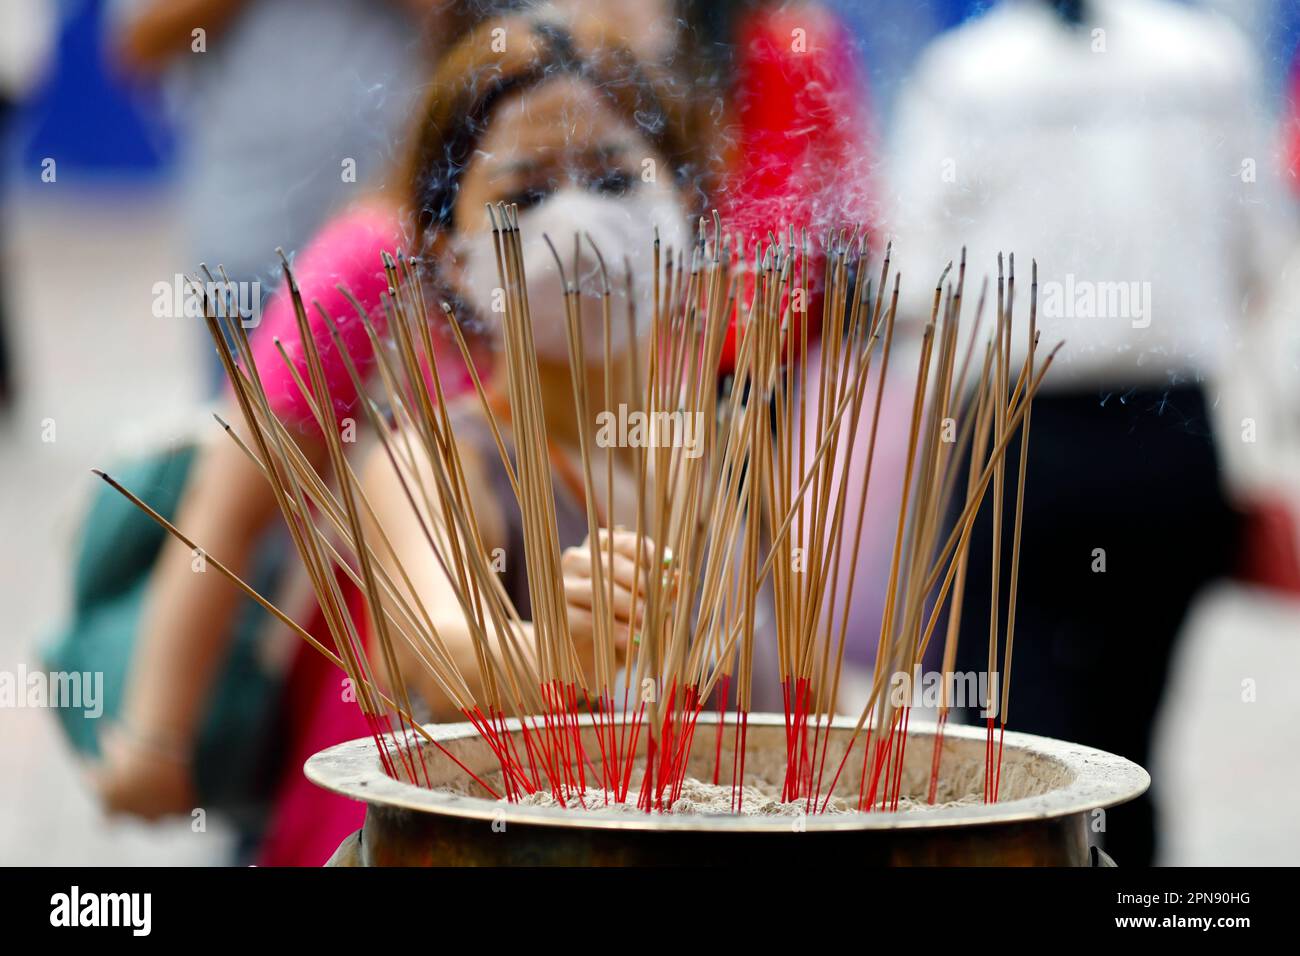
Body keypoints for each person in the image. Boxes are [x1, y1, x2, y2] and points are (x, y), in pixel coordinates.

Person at [889, 0, 1287, 864]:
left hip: (1021, 440)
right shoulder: (1208, 61)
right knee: (1131, 739)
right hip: (1170, 437)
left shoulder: (967, 72)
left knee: (1011, 746)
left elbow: (915, 280)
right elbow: (1260, 255)